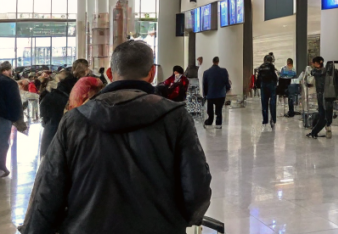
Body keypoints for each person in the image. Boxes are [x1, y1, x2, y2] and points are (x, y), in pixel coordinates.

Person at [19, 40, 212, 234]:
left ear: (110, 74)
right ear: (152, 74)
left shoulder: (75, 120)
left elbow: (48, 190)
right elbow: (197, 189)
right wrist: (176, 220)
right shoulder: (175, 117)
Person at [38, 70, 72, 158]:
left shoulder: (51, 93)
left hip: (51, 127)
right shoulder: (65, 95)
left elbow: (43, 109)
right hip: (57, 128)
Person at [307, 57, 338, 139]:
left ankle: (314, 132)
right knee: (326, 114)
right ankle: (318, 131)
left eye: (313, 63)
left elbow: (311, 74)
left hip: (321, 95)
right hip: (330, 95)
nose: (313, 65)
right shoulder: (331, 72)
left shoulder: (315, 71)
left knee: (322, 115)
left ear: (317, 63)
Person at [0, 61, 23, 178]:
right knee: (2, 142)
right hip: (3, 117)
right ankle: (1, 167)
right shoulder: (9, 83)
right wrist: (16, 118)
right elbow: (15, 103)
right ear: (7, 70)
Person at [202, 56, 231, 129]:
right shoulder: (224, 71)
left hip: (210, 94)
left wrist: (205, 95)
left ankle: (209, 121)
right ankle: (218, 123)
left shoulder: (206, 72)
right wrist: (227, 88)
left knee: (210, 110)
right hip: (220, 94)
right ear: (218, 62)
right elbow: (226, 82)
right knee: (219, 110)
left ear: (213, 62)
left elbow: (204, 84)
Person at [257, 54, 279, 131]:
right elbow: (275, 77)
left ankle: (265, 120)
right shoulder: (271, 66)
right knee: (272, 103)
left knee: (264, 103)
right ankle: (273, 119)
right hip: (271, 86)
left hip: (263, 86)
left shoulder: (261, 67)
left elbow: (258, 78)